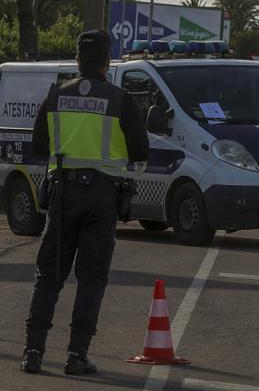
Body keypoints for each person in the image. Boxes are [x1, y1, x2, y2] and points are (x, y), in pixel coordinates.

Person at [21, 30, 149, 375]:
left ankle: (32, 351)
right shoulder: (121, 100)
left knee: (49, 275)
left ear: (77, 60)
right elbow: (140, 152)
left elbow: (38, 145)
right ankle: (76, 356)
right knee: (91, 278)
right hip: (102, 197)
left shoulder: (55, 96)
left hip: (63, 193)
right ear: (108, 61)